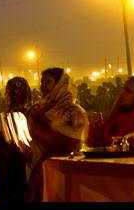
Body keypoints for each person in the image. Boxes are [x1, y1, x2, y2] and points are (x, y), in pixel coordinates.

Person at [26, 68, 87, 202]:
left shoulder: (74, 111)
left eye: (47, 82)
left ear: (61, 84)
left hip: (65, 169)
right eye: (41, 82)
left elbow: (71, 143)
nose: (42, 87)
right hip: (40, 167)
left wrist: (42, 121)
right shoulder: (40, 108)